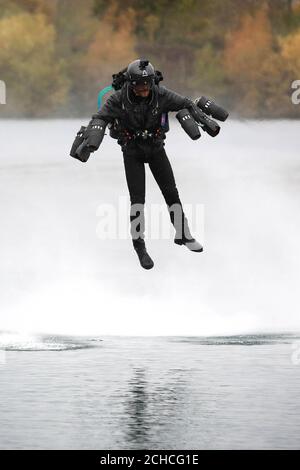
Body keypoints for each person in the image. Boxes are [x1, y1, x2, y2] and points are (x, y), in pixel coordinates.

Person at [79, 59, 204, 269]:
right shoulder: (118, 99)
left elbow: (185, 103)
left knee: (171, 193)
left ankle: (183, 234)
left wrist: (198, 111)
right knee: (138, 202)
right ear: (131, 83)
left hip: (156, 148)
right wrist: (92, 139)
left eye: (147, 85)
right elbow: (100, 117)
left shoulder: (161, 94)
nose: (144, 90)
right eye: (139, 86)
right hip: (132, 151)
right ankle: (140, 247)